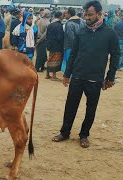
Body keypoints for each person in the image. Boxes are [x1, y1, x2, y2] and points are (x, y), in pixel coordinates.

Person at [52, 1, 120, 148]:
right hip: (77, 76)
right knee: (70, 106)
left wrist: (110, 77)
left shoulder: (110, 33)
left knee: (91, 109)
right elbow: (73, 54)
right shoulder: (81, 32)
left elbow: (115, 55)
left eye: (90, 14)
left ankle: (84, 135)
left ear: (99, 14)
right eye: (85, 14)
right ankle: (65, 132)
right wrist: (67, 74)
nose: (87, 17)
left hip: (95, 79)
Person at [61, 7, 85, 73]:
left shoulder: (69, 24)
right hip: (80, 46)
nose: (64, 15)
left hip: (70, 46)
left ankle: (69, 75)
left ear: (69, 14)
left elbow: (70, 37)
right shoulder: (82, 21)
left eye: (65, 13)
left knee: (69, 61)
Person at [46, 11, 64, 80]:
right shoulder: (59, 25)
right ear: (60, 16)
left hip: (50, 45)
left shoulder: (50, 24)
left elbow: (47, 35)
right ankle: (54, 76)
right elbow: (60, 37)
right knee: (55, 61)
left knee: (50, 59)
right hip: (57, 46)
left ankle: (47, 74)